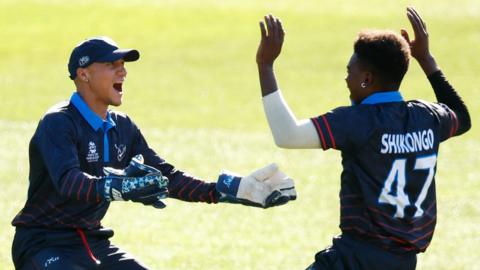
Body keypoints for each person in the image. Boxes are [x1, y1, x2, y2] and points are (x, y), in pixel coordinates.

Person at [11, 36, 297, 269]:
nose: (123, 71)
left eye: (123, 64)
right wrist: (120, 187)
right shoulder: (58, 122)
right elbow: (69, 182)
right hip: (42, 242)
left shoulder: (123, 128)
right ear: (83, 74)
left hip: (92, 239)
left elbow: (167, 178)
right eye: (112, 64)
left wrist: (225, 191)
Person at [256, 7, 470, 270]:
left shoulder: (360, 121)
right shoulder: (428, 117)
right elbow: (462, 116)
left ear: (367, 79)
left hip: (355, 259)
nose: (346, 78)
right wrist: (426, 59)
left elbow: (287, 134)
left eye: (350, 71)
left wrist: (265, 65)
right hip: (403, 263)